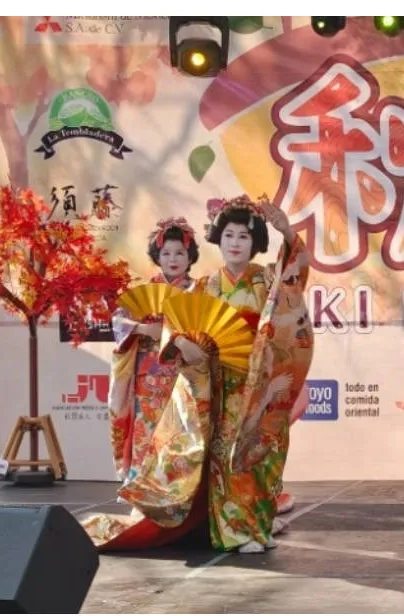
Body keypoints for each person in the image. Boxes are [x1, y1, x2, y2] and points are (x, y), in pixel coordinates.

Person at [84, 195, 314, 553]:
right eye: (229, 236)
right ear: (218, 241)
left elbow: (293, 280)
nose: (235, 243)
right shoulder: (207, 286)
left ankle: (257, 525)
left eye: (243, 237)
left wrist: (285, 228)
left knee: (263, 457)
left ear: (254, 244)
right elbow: (187, 329)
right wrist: (188, 349)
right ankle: (234, 531)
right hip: (219, 382)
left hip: (256, 382)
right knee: (227, 458)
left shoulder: (266, 279)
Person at [108, 218, 198, 489]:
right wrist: (145, 329)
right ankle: (143, 492)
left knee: (182, 434)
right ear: (157, 256)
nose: (173, 259)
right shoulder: (143, 291)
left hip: (184, 374)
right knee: (146, 433)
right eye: (166, 253)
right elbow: (118, 321)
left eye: (179, 253)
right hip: (148, 377)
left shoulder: (199, 291)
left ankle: (180, 492)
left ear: (189, 256)